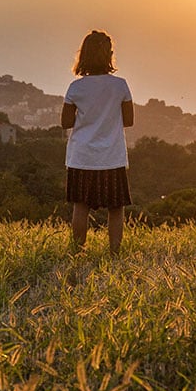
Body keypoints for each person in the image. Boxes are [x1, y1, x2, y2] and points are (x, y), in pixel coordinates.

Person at [61, 30, 134, 256]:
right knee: (115, 208)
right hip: (111, 156)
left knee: (80, 206)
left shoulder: (75, 88)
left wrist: (86, 115)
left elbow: (65, 123)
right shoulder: (120, 86)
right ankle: (114, 253)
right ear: (108, 55)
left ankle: (77, 252)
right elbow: (129, 121)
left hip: (82, 156)